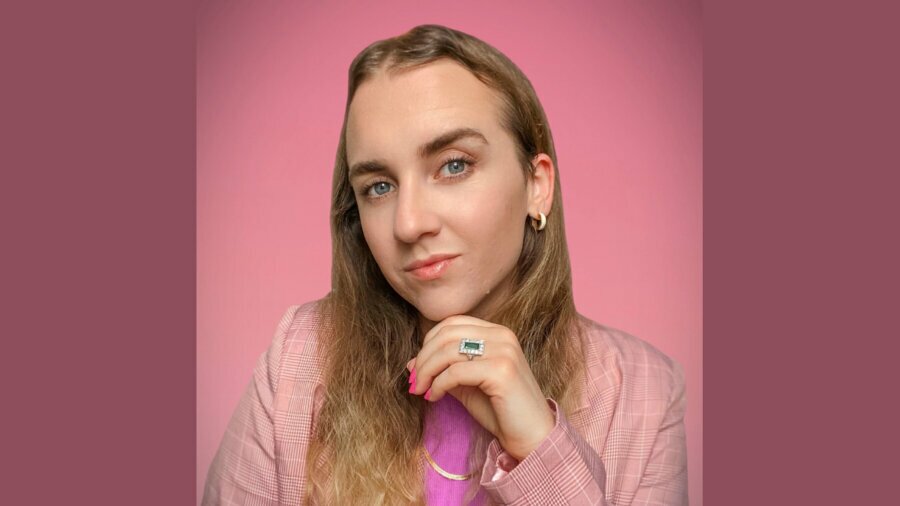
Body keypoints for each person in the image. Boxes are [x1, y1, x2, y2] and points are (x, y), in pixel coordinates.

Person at [202, 24, 688, 506]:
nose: (409, 224)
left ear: (536, 185)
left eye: (453, 165)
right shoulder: (298, 358)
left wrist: (542, 447)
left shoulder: (643, 392)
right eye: (379, 186)